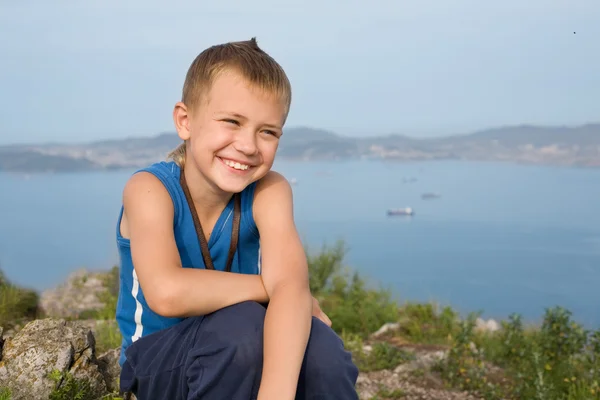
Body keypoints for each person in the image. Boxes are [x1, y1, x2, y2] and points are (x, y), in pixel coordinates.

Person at [114, 37, 359, 399]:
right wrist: (277, 288)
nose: (248, 145)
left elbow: (290, 290)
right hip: (157, 362)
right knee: (243, 325)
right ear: (185, 121)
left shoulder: (269, 191)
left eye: (267, 132)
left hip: (239, 351)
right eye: (232, 121)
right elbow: (167, 293)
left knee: (322, 349)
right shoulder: (150, 189)